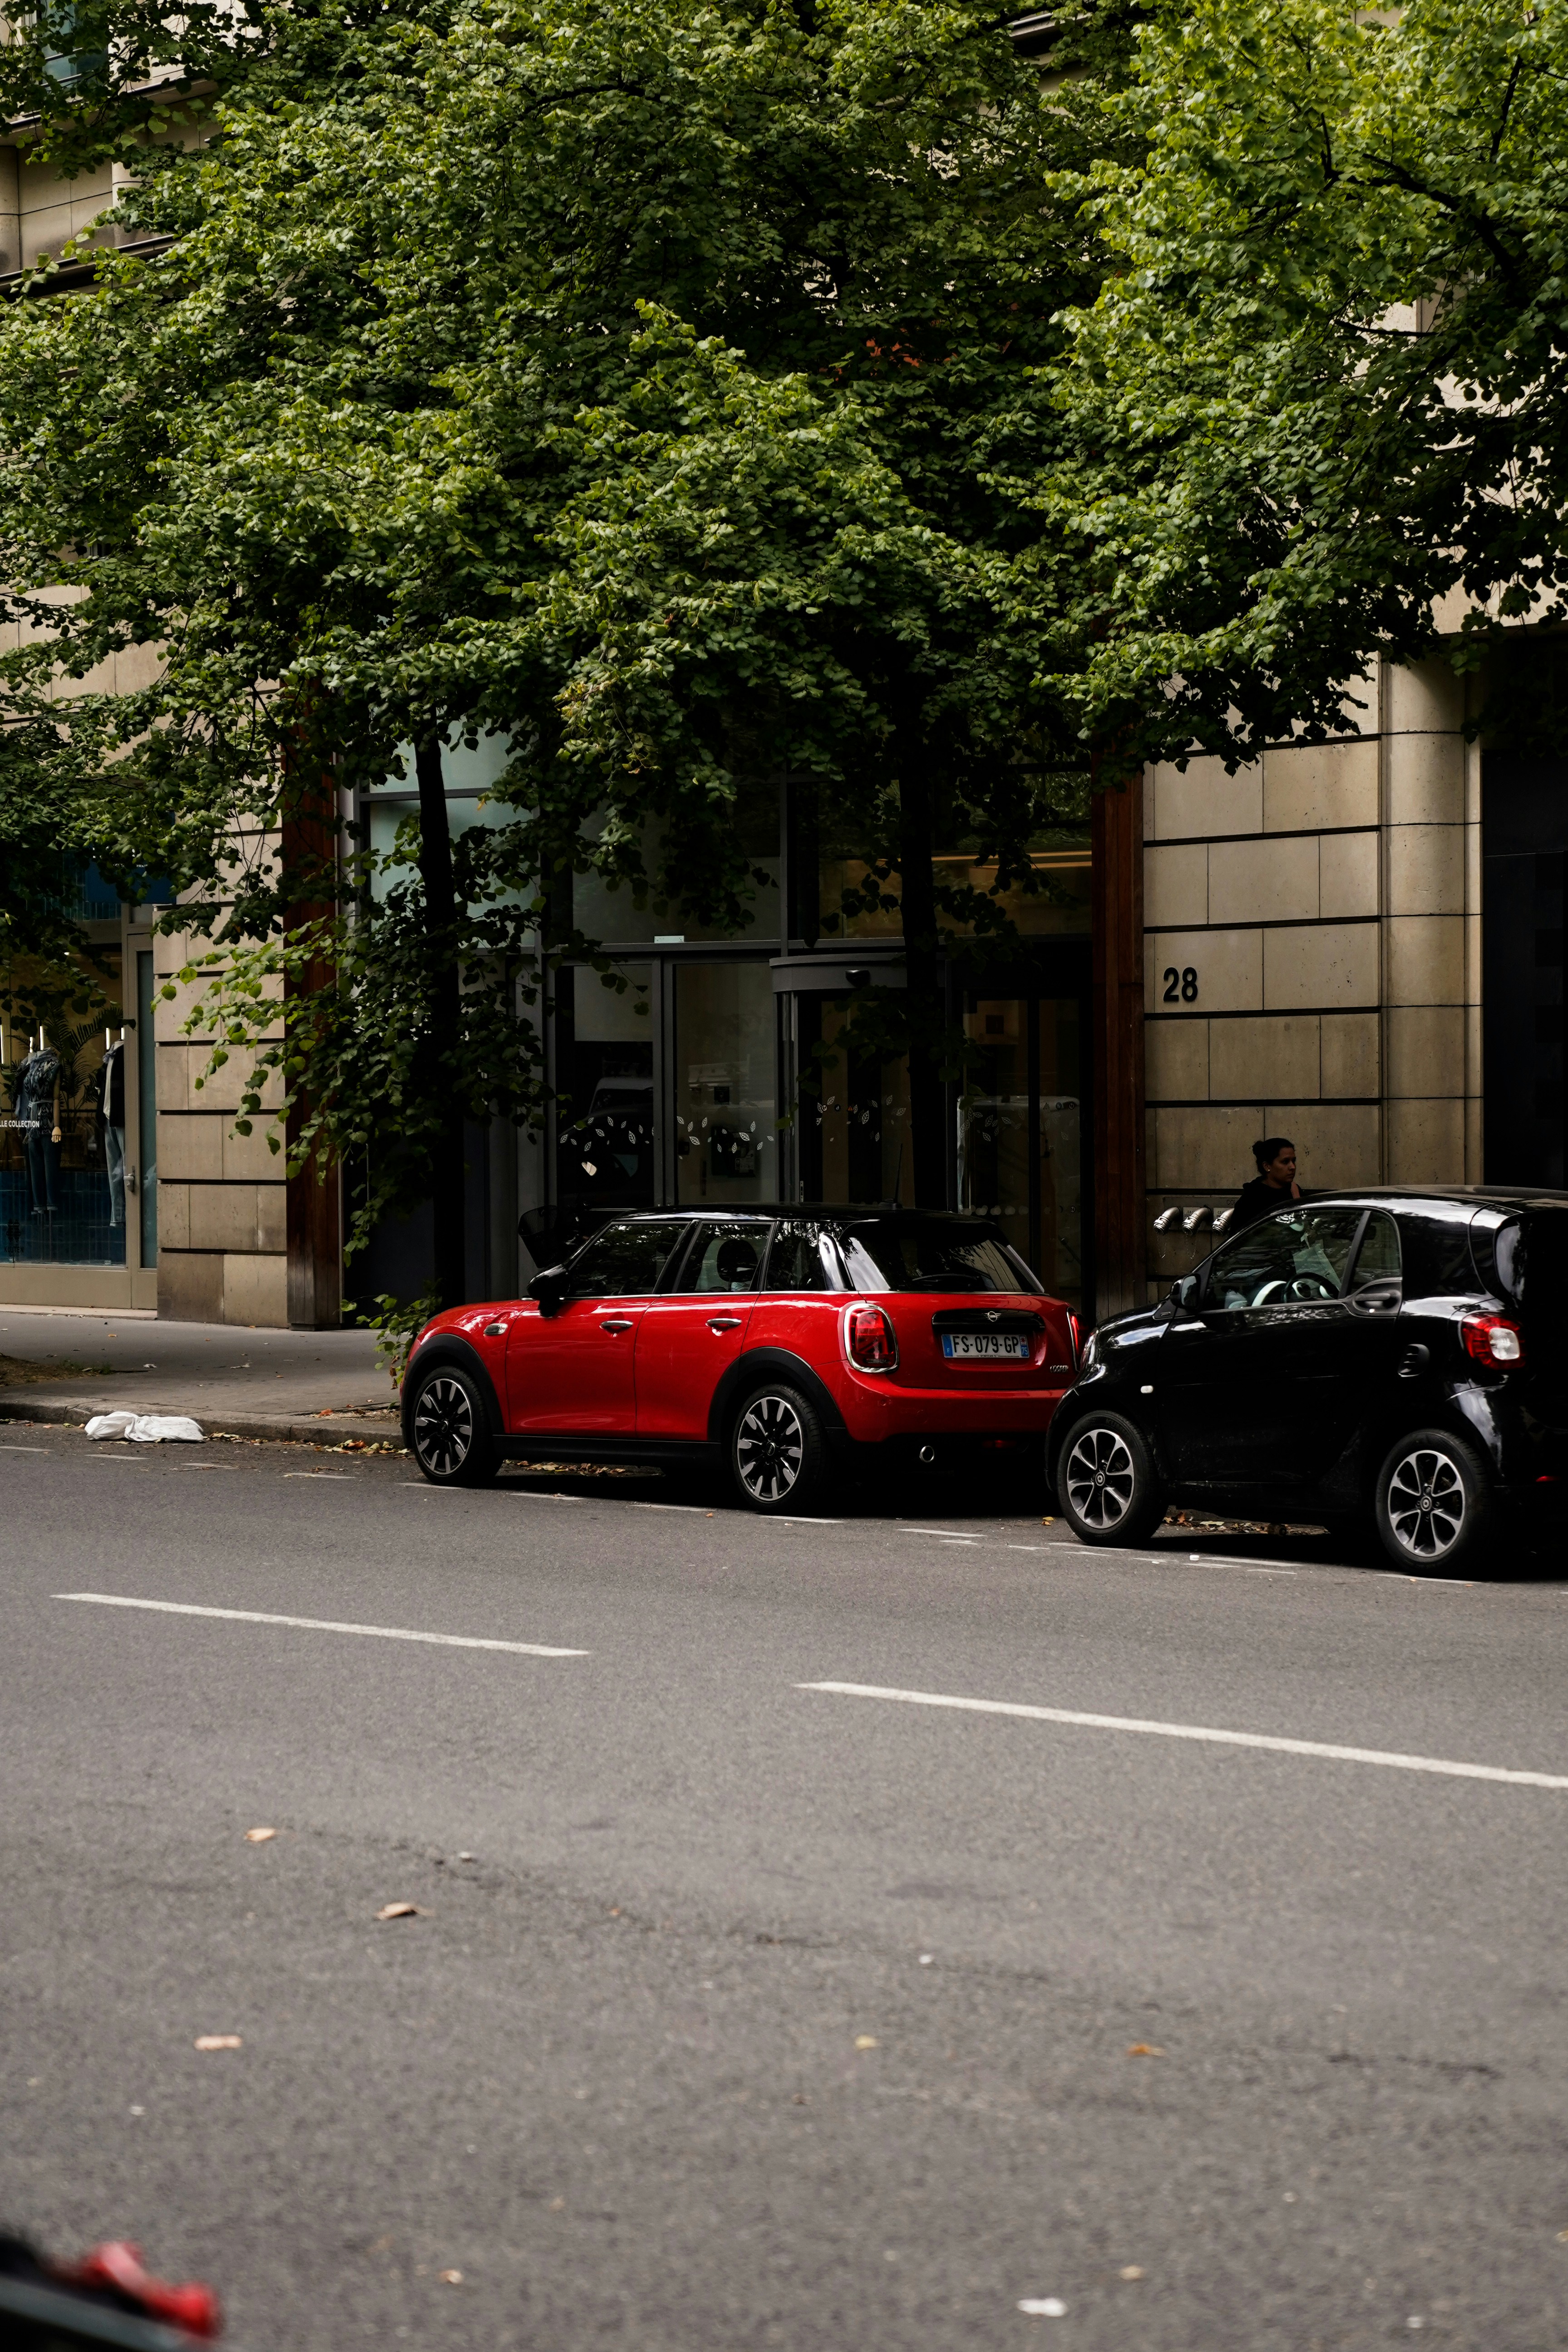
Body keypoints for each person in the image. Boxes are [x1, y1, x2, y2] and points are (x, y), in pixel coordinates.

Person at [1230, 1136, 1301, 1231]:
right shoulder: (1251, 1201)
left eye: (1294, 1161)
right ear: (1267, 1166)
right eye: (1285, 1162)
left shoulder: (1294, 1190)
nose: (1292, 1167)